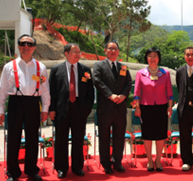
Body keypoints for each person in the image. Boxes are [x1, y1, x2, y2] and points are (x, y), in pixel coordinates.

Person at [0, 34, 50, 181]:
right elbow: (2, 89)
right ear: (18, 47)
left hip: (33, 104)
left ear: (34, 47)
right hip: (15, 103)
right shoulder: (9, 67)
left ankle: (31, 171)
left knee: (33, 139)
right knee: (13, 139)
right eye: (23, 44)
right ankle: (13, 173)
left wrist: (45, 108)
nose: (26, 47)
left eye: (29, 44)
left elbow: (45, 89)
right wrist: (1, 110)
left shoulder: (41, 67)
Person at [48, 43, 94, 178]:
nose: (78, 54)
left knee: (78, 140)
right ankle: (61, 168)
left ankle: (77, 167)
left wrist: (86, 109)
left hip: (79, 109)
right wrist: (51, 109)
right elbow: (52, 91)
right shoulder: (56, 69)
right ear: (66, 53)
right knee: (61, 140)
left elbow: (90, 92)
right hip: (62, 109)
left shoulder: (85, 69)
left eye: (79, 52)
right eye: (75, 52)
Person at [92, 42, 132, 174]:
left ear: (119, 51)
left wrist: (123, 96)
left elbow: (129, 83)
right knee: (104, 138)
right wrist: (110, 95)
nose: (113, 51)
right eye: (110, 48)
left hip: (120, 109)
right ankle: (106, 164)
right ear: (105, 51)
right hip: (105, 109)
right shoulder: (99, 65)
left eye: (115, 48)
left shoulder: (123, 67)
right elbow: (97, 81)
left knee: (119, 137)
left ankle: (118, 162)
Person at [134, 47, 173, 172]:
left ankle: (158, 160)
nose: (152, 58)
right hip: (145, 107)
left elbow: (170, 92)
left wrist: (170, 106)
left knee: (161, 134)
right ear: (146, 58)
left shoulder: (165, 73)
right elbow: (136, 93)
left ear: (159, 58)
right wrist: (137, 107)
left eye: (155, 56)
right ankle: (150, 160)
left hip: (161, 107)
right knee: (148, 135)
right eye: (150, 56)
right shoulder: (140, 73)